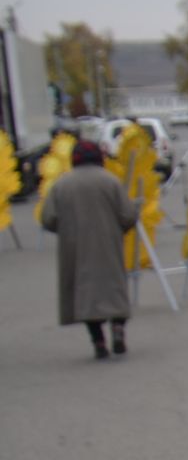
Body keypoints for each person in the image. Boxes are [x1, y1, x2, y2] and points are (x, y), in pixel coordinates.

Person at [39, 140, 138, 359]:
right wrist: (118, 229)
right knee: (113, 289)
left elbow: (48, 218)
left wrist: (66, 231)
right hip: (108, 243)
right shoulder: (110, 181)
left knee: (85, 295)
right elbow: (129, 214)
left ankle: (98, 341)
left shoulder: (62, 184)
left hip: (75, 247)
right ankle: (118, 328)